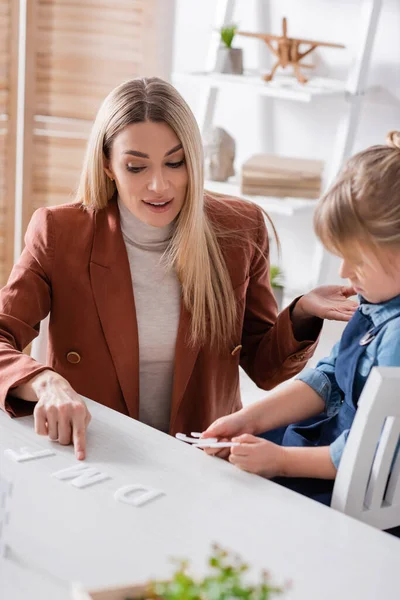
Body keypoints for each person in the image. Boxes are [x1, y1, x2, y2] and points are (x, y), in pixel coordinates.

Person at [0, 77, 356, 461]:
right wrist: (45, 382)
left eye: (175, 162)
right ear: (107, 165)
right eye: (136, 167)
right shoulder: (60, 233)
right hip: (94, 454)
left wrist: (302, 312)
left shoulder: (238, 229)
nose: (159, 185)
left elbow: (266, 370)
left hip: (201, 459)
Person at [202, 131, 400, 506]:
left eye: (357, 259)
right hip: (323, 450)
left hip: (346, 490)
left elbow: (371, 455)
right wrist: (252, 419)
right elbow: (327, 380)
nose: (344, 271)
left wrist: (280, 461)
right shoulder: (377, 303)